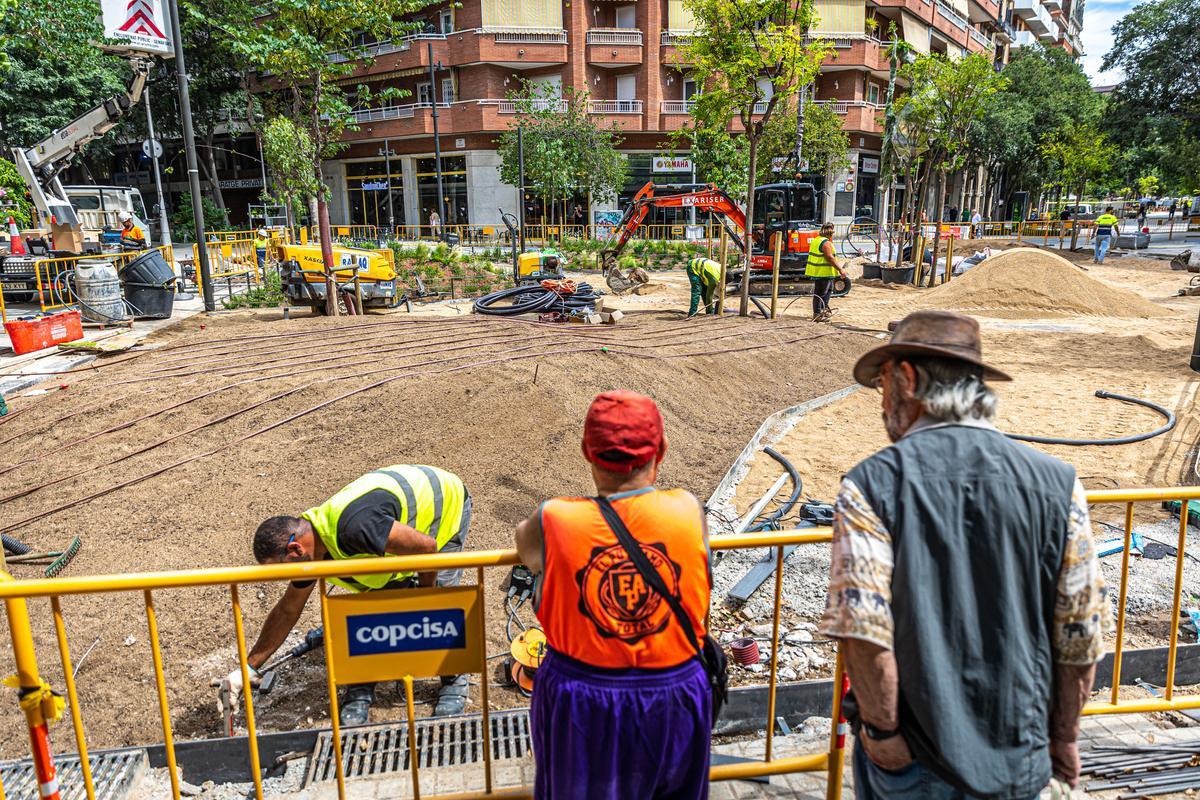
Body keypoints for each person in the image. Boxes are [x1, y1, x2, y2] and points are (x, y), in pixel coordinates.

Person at [820, 310, 1109, 800]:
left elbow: (862, 631)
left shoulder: (870, 485)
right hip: (1020, 758)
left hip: (915, 760)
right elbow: (1080, 634)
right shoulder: (1060, 484)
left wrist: (885, 735)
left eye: (883, 384)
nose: (881, 402)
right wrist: (1064, 738)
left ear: (908, 380)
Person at [515, 390, 712, 800]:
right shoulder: (689, 511)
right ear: (662, 450)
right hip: (674, 694)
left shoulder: (554, 518)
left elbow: (525, 544)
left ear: (587, 452)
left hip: (582, 701)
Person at [219, 465, 473, 725]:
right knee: (376, 603)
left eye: (282, 568)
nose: (285, 576)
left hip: (441, 508)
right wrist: (248, 668)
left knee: (440, 603)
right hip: (396, 536)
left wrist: (425, 598)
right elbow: (288, 609)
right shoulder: (311, 550)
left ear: (295, 549)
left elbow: (426, 548)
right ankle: (363, 681)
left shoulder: (354, 529)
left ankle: (453, 678)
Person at [804, 222, 846, 323]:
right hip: (823, 272)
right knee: (820, 293)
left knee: (828, 290)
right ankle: (818, 314)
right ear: (830, 233)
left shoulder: (817, 240)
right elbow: (829, 258)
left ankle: (824, 309)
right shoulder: (825, 243)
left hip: (822, 272)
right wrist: (840, 269)